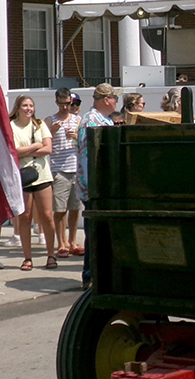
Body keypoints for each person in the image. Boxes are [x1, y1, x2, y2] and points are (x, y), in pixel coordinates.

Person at [77, 83, 122, 289]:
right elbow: (88, 157)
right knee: (94, 233)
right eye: (115, 99)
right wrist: (94, 189)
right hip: (94, 189)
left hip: (104, 188)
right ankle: (90, 277)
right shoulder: (91, 121)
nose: (116, 103)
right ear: (106, 100)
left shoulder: (104, 120)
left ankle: (101, 275)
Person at [9, 95, 58, 271]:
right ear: (18, 108)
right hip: (23, 177)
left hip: (42, 176)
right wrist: (36, 146)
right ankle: (27, 258)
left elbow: (48, 148)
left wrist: (29, 151)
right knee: (25, 218)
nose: (28, 108)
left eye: (31, 105)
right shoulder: (11, 126)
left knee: (47, 216)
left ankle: (51, 254)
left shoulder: (40, 125)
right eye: (25, 105)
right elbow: (14, 151)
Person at [44, 88, 84, 260]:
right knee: (60, 209)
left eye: (68, 104)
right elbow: (44, 144)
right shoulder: (50, 120)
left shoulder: (77, 119)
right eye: (62, 104)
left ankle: (72, 241)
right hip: (59, 169)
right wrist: (52, 132)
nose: (66, 108)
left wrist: (76, 136)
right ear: (56, 103)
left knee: (75, 208)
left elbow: (83, 144)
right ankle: (61, 243)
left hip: (75, 167)